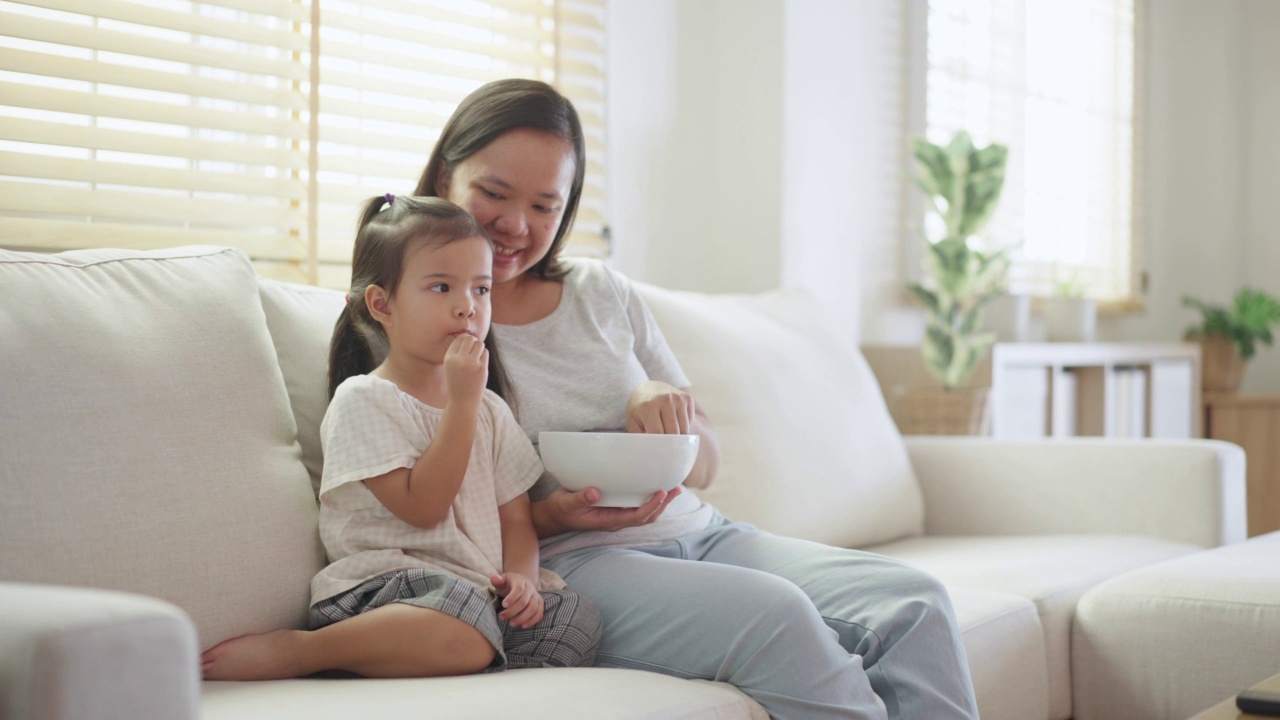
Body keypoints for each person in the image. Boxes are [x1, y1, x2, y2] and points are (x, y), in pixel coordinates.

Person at [411, 78, 982, 720]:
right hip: (573, 565)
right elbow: (431, 511)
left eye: (546, 205)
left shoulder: (602, 292)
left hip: (701, 530)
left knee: (916, 601)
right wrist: (554, 517)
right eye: (493, 193)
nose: (516, 225)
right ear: (444, 177)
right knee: (777, 615)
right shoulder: (420, 315)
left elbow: (705, 461)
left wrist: (663, 403)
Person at [200, 195, 601, 680]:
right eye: (441, 287)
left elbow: (516, 521)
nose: (467, 308)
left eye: (481, 289)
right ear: (382, 304)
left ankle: (463, 651)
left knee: (577, 621)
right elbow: (423, 506)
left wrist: (523, 579)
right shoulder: (365, 400)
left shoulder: (490, 409)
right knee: (462, 621)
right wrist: (463, 404)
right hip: (386, 589)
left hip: (472, 593)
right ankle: (304, 652)